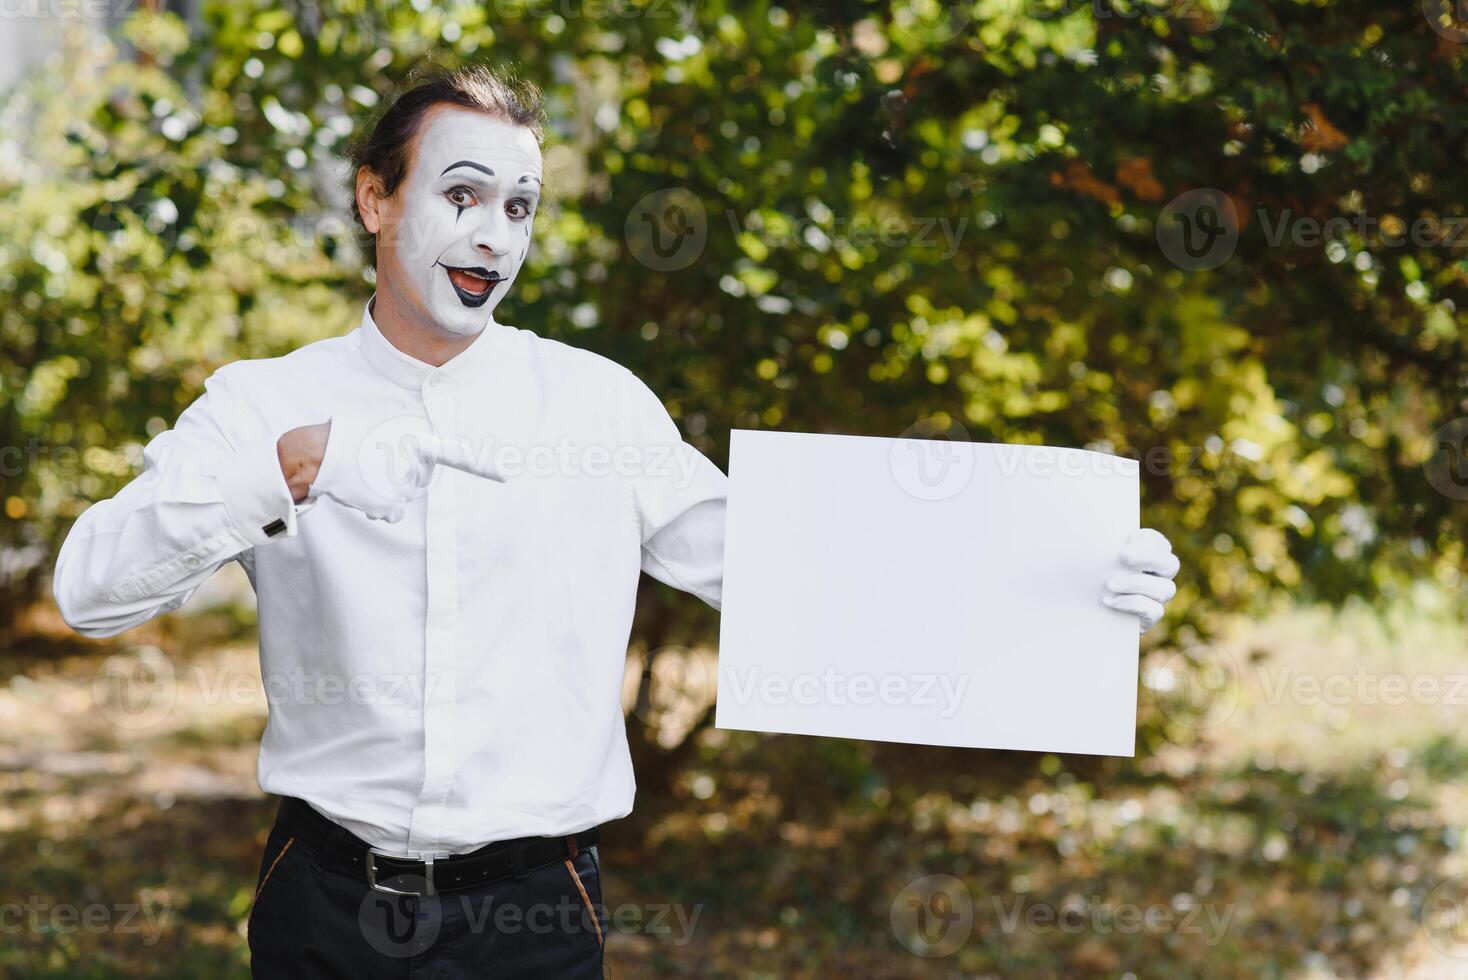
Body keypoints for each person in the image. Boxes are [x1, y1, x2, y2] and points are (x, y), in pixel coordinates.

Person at [51, 64, 1181, 978]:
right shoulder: (263, 400)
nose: (493, 234)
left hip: (536, 914)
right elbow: (90, 587)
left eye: (519, 206)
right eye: (459, 193)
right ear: (374, 197)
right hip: (325, 905)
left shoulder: (596, 403)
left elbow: (784, 562)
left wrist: (1064, 574)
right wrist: (292, 465)